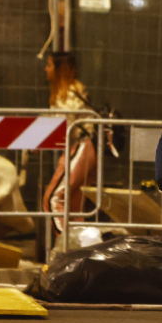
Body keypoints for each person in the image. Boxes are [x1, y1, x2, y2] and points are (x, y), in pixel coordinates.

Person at [42, 52, 96, 234]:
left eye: (49, 65)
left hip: (82, 146)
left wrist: (38, 138)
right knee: (72, 207)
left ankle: (65, 246)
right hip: (86, 148)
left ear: (60, 69)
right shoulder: (70, 91)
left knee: (53, 199)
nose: (45, 69)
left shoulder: (69, 93)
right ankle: (78, 249)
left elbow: (62, 123)